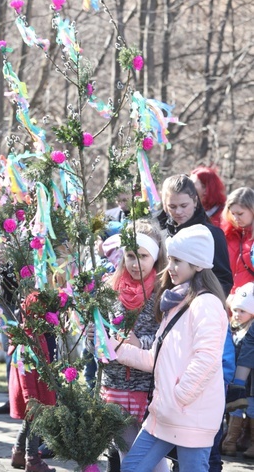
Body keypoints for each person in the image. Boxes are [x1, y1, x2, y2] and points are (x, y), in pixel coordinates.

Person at [110, 224, 228, 472]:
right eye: (171, 259)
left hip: (189, 416)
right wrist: (114, 348)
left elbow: (206, 359)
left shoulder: (205, 303)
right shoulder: (177, 301)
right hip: (164, 414)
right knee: (132, 467)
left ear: (197, 264)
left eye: (177, 261)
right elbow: (158, 357)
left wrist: (179, 397)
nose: (170, 267)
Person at [87, 219, 169, 472]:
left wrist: (140, 343)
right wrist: (93, 339)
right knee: (125, 447)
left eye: (143, 256)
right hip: (114, 383)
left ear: (154, 257)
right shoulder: (110, 288)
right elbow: (101, 340)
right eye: (131, 256)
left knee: (149, 452)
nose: (135, 263)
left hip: (146, 384)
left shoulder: (163, 292)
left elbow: (167, 338)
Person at [160, 173, 233, 296]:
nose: (178, 212)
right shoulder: (163, 234)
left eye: (184, 206)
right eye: (172, 206)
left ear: (195, 201)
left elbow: (224, 280)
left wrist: (203, 301)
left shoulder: (212, 234)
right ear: (165, 206)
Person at [9, 291, 56, 471]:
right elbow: (25, 375)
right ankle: (32, 459)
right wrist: (31, 399)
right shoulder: (28, 343)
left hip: (38, 391)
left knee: (31, 420)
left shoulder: (36, 336)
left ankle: (19, 453)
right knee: (36, 419)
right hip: (34, 394)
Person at [222, 282, 254, 458]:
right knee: (235, 409)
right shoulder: (234, 329)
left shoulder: (250, 331)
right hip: (235, 380)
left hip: (249, 383)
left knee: (251, 410)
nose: (237, 314)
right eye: (235, 310)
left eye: (243, 311)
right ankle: (230, 442)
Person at [221, 187, 254, 293]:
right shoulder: (228, 235)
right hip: (230, 301)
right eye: (233, 214)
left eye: (240, 214)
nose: (235, 219)